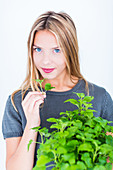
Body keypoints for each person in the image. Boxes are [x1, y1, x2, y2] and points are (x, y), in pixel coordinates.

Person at [2, 11, 113, 170]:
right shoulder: (18, 102)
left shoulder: (100, 98)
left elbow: (109, 162)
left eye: (56, 50)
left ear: (70, 50)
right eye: (38, 49)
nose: (46, 60)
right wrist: (32, 125)